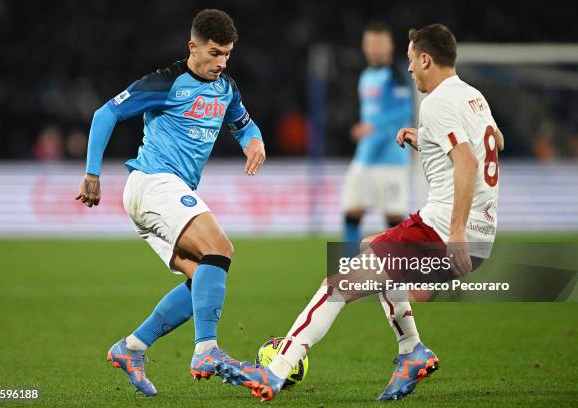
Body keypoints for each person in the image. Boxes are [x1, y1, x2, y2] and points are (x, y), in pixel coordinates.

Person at [215, 23, 503, 402]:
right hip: (485, 230)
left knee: (335, 286)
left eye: (413, 60)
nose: (411, 69)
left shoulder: (437, 102)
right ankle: (411, 350)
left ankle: (276, 369)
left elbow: (466, 160)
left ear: (426, 59)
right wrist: (428, 142)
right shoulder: (472, 96)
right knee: (369, 244)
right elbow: (495, 142)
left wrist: (456, 233)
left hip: (444, 231)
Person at [74, 9, 266, 397]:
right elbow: (105, 113)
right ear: (192, 47)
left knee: (204, 280)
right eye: (214, 53)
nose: (221, 62)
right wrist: (93, 173)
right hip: (153, 182)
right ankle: (207, 351)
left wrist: (254, 141)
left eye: (227, 54)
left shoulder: (226, 88)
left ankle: (131, 347)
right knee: (221, 249)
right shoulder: (165, 83)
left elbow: (243, 124)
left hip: (163, 192)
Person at [342, 22, 413, 244]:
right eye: (370, 43)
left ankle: (396, 274)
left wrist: (374, 126)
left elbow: (405, 110)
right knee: (351, 214)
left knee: (393, 220)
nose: (375, 48)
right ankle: (350, 270)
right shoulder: (366, 76)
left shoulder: (397, 74)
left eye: (380, 43)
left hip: (392, 158)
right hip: (365, 157)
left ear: (390, 46)